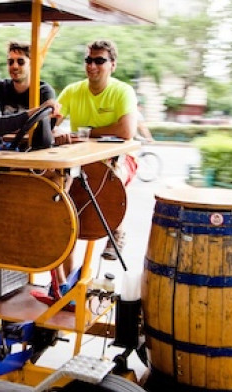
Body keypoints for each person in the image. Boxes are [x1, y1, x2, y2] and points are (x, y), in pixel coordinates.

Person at [55, 39, 137, 269]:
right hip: (83, 161)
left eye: (99, 61)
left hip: (117, 159)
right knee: (58, 190)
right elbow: (50, 123)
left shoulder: (122, 91)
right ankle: (65, 279)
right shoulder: (72, 91)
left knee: (113, 178)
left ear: (113, 65)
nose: (92, 66)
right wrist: (56, 131)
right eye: (89, 60)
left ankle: (116, 228)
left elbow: (127, 130)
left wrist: (88, 132)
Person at [0, 41, 55, 114]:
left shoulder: (42, 92)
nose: (14, 66)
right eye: (10, 62)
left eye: (20, 62)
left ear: (31, 64)